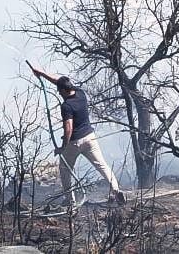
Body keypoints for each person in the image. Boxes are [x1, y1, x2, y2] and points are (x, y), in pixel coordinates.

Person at [29, 64, 126, 206]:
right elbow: (59, 81)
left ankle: (70, 201)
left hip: (74, 142)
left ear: (63, 90)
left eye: (59, 91)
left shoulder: (66, 106)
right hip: (90, 138)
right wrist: (42, 74)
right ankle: (116, 190)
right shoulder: (80, 93)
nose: (59, 93)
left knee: (64, 170)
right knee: (102, 165)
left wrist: (62, 147)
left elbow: (68, 128)